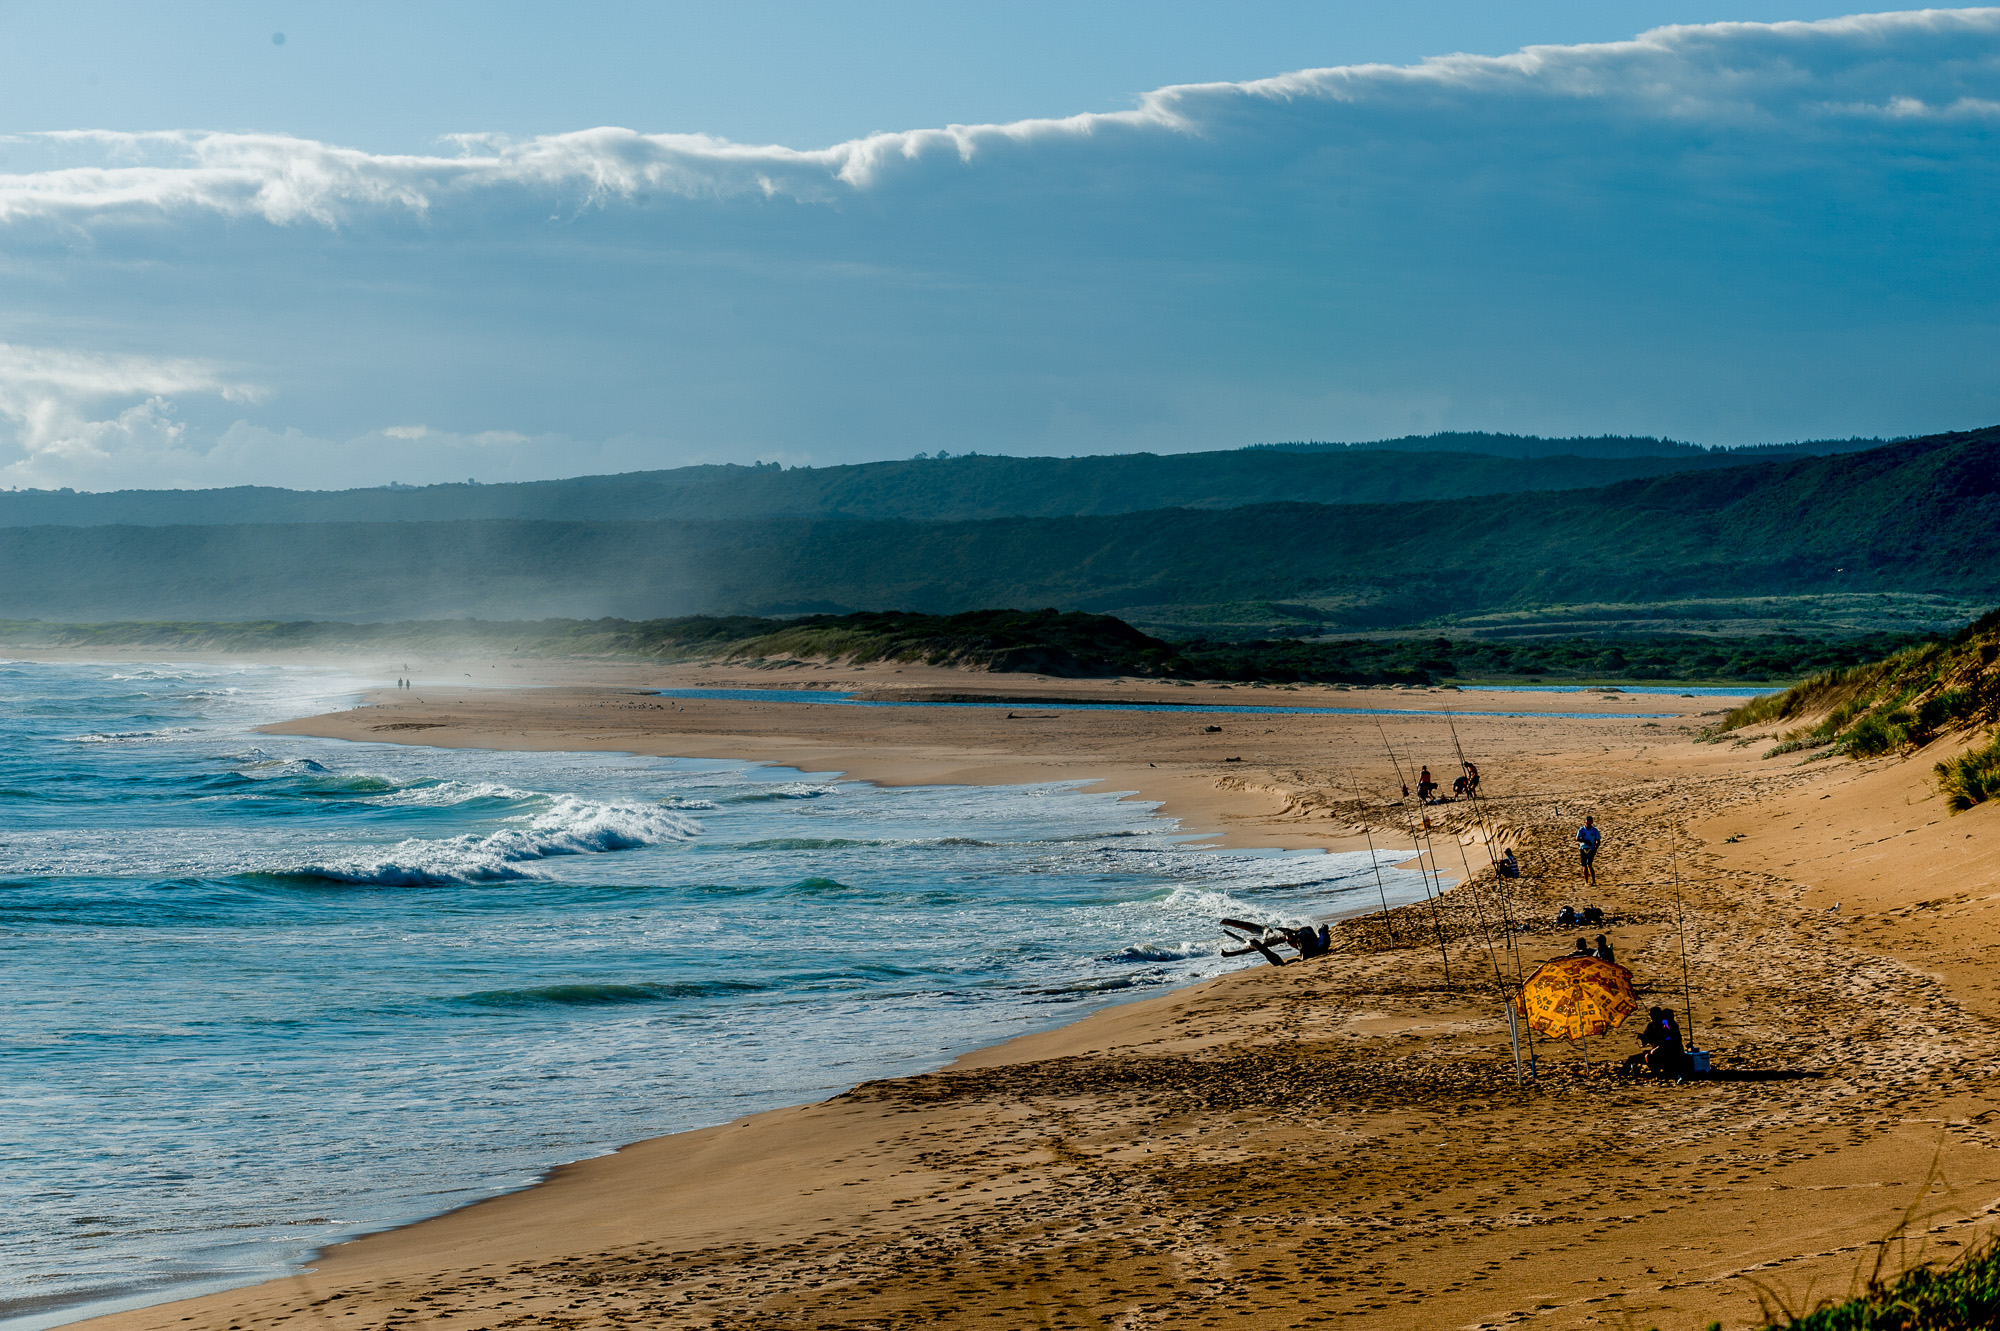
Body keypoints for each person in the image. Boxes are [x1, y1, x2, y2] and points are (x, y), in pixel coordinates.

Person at [1576, 816, 1603, 887]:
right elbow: (1577, 838)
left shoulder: (1594, 830)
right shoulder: (1581, 829)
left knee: (1589, 864)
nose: (1588, 824)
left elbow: (1598, 840)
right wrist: (1585, 841)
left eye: (1589, 823)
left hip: (1591, 849)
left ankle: (1593, 881)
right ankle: (1586, 882)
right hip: (1583, 848)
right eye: (1587, 823)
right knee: (1584, 865)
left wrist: (1595, 849)